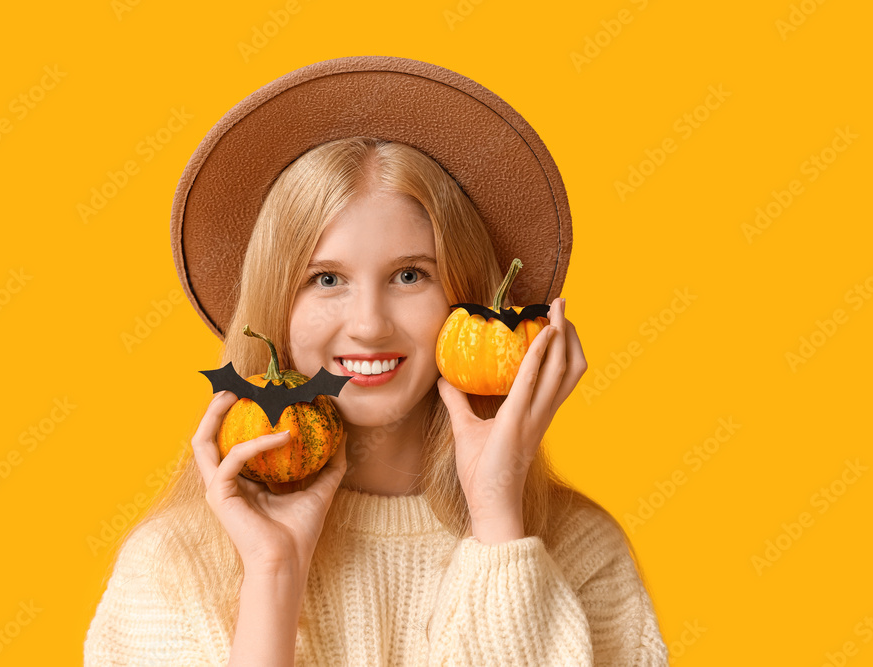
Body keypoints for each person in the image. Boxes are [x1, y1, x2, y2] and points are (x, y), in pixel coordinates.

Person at [85, 58, 668, 667]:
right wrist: (274, 575)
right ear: (274, 305)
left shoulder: (577, 550)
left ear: (465, 298)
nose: (367, 324)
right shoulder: (176, 565)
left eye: (410, 275)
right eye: (326, 278)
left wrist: (498, 514)